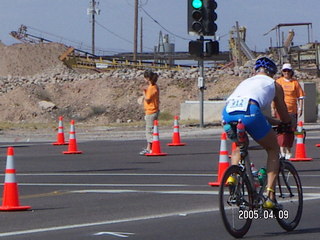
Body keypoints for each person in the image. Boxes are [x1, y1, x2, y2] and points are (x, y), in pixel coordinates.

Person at [221, 57, 291, 209]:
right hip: (251, 111)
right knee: (273, 149)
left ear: (255, 71)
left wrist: (274, 122)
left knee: (239, 146)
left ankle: (233, 177)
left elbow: (253, 110)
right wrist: (286, 124)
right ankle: (270, 197)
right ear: (272, 73)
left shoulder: (246, 82)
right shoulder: (274, 84)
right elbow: (282, 111)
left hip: (228, 112)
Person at [272, 63, 305, 160]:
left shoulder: (295, 83)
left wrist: (300, 108)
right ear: (282, 72)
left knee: (290, 131)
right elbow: (274, 97)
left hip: (292, 110)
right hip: (281, 110)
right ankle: (282, 150)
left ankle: (288, 150)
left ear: (291, 72)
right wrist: (273, 109)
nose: (286, 73)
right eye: (284, 71)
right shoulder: (278, 82)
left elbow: (300, 97)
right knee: (281, 131)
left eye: (288, 71)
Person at [139, 70, 160, 155]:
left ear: (147, 78)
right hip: (153, 110)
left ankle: (151, 148)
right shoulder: (154, 86)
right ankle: (149, 147)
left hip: (151, 111)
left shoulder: (152, 87)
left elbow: (148, 99)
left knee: (149, 130)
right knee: (151, 130)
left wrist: (144, 93)